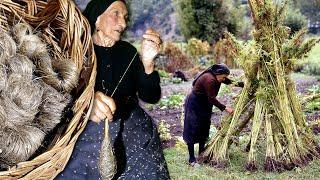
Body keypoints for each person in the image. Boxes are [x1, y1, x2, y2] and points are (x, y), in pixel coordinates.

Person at [57, 0, 170, 179]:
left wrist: (148, 63)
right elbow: (58, 96)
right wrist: (86, 104)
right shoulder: (74, 52)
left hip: (132, 130)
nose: (123, 23)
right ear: (97, 18)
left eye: (125, 17)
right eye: (115, 14)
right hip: (83, 132)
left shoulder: (128, 52)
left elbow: (150, 96)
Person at [183, 64, 243, 166]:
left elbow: (229, 81)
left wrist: (243, 84)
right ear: (218, 74)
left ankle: (201, 154)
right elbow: (211, 98)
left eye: (225, 77)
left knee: (204, 126)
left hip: (205, 103)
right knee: (192, 128)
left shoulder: (218, 77)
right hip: (195, 103)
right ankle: (192, 159)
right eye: (223, 77)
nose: (224, 79)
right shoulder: (209, 79)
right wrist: (225, 108)